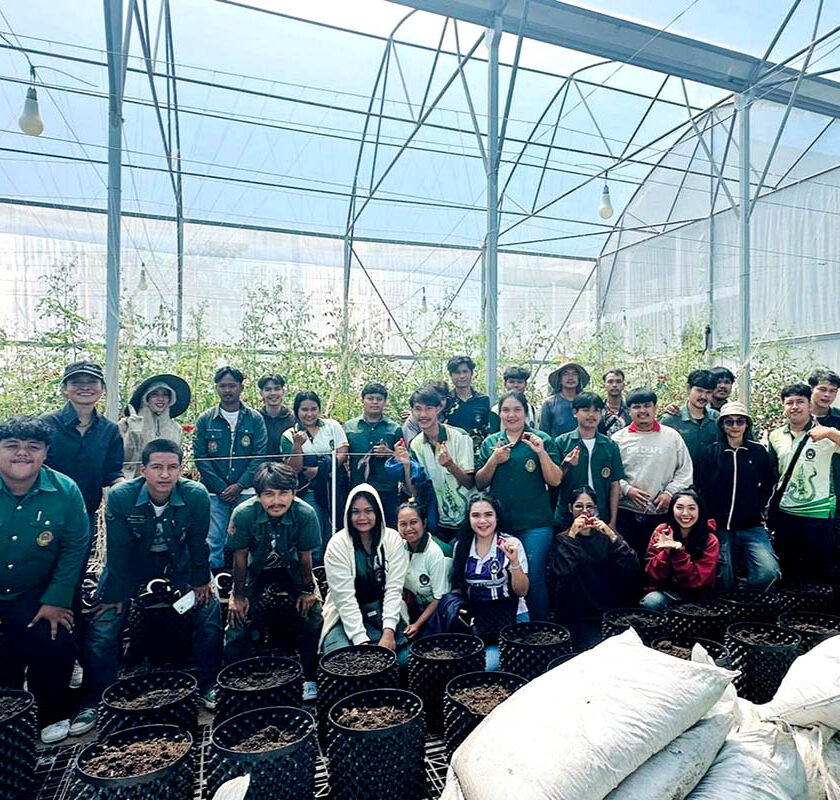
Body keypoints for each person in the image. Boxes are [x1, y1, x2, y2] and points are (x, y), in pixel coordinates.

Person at [71, 439, 222, 735]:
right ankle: (94, 698)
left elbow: (197, 543)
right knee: (104, 622)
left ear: (182, 469)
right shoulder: (121, 496)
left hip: (179, 564)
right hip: (129, 567)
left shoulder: (195, 495)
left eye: (172, 467)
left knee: (210, 610)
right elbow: (117, 552)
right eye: (156, 467)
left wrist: (201, 582)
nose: (164, 475)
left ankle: (209, 684)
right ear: (143, 470)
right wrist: (114, 594)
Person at [0, 417, 88, 744]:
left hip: (38, 592)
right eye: (12, 446)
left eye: (33, 447)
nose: (22, 453)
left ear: (45, 452)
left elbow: (75, 546)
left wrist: (57, 599)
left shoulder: (65, 491)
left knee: (56, 639)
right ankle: (10, 714)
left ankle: (51, 712)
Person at [225, 462, 321, 702]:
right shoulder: (244, 514)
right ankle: (233, 678)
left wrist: (308, 590)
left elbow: (305, 557)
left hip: (293, 568)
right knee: (236, 619)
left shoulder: (305, 514)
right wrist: (237, 596)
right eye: (269, 494)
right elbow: (240, 557)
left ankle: (310, 676)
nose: (276, 501)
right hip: (254, 570)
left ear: (293, 493)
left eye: (283, 493)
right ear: (258, 495)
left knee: (314, 614)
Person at [475, 391, 562, 621]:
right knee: (506, 576)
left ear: (526, 413)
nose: (511, 415)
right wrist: (494, 460)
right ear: (500, 414)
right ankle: (511, 628)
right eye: (506, 410)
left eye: (517, 410)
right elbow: (480, 482)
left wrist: (541, 453)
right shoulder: (491, 442)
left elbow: (555, 480)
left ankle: (541, 630)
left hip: (536, 524)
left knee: (532, 576)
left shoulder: (540, 439)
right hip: (502, 525)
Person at [320, 485, 410, 665]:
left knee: (403, 661)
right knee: (343, 660)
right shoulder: (337, 545)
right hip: (345, 616)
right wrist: (362, 642)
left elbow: (394, 589)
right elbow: (344, 599)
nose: (362, 518)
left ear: (378, 512)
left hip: (384, 612)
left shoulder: (392, 540)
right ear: (348, 515)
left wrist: (388, 632)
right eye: (356, 512)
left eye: (368, 511)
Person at [695, 401, 779, 591]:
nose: (734, 426)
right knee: (723, 578)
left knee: (768, 571)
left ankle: (752, 598)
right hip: (720, 526)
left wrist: (761, 507)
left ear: (747, 424)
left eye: (739, 421)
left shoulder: (757, 452)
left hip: (751, 526)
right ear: (722, 425)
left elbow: (769, 483)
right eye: (729, 422)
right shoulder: (710, 452)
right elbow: (701, 487)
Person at [193, 366, 268, 570]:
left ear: (241, 388)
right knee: (213, 539)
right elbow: (200, 457)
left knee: (248, 537)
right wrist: (221, 487)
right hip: (214, 493)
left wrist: (240, 485)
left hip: (247, 491)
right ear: (217, 388)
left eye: (232, 385)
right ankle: (214, 583)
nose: (227, 390)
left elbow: (260, 455)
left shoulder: (254, 419)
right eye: (223, 386)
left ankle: (247, 581)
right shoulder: (205, 419)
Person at [547, 486, 639, 650]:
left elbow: (631, 567)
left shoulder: (606, 536)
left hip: (606, 609)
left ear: (595, 509)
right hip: (577, 613)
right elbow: (562, 573)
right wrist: (572, 536)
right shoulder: (562, 539)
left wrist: (612, 535)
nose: (585, 511)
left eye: (589, 506)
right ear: (570, 509)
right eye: (579, 506)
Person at [41, 361, 124, 538]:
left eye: (92, 382)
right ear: (64, 388)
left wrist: (132, 490)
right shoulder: (46, 424)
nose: (85, 387)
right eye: (77, 382)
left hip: (85, 514)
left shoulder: (109, 430)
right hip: (44, 512)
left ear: (102, 388)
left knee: (78, 564)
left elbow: (112, 473)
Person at [613, 388, 693, 565]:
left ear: (655, 408)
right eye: (636, 406)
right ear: (629, 410)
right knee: (629, 561)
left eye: (647, 406)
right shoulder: (618, 439)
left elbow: (685, 472)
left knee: (661, 561)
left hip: (662, 514)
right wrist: (627, 490)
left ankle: (656, 593)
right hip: (627, 513)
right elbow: (610, 473)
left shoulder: (672, 436)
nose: (642, 411)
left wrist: (669, 494)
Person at [448, 493, 529, 670]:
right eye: (476, 515)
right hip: (476, 620)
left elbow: (522, 591)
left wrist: (514, 562)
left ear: (497, 517)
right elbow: (457, 587)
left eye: (488, 515)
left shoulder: (511, 543)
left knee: (486, 667)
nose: (482, 521)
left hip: (510, 616)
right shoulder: (461, 546)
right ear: (468, 518)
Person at [768, 383, 840, 581]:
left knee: (818, 569)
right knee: (788, 567)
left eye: (800, 402)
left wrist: (830, 434)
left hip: (818, 513)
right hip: (786, 513)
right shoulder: (775, 435)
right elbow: (773, 473)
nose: (795, 407)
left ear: (810, 405)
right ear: (783, 406)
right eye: (789, 402)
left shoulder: (826, 433)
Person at [398, 386, 475, 543]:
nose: (423, 414)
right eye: (417, 409)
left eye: (429, 408)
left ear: (439, 409)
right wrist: (406, 464)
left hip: (467, 518)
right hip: (438, 520)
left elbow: (469, 483)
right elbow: (415, 491)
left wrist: (450, 465)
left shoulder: (460, 437)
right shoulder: (416, 445)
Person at [282, 391, 349, 550]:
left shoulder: (332, 426)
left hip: (334, 487)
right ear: (297, 411)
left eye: (313, 409)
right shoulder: (288, 435)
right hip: (308, 491)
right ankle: (315, 567)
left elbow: (343, 452)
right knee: (314, 530)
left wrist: (321, 469)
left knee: (335, 529)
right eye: (304, 409)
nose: (309, 414)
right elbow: (293, 468)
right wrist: (297, 445)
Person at [554, 392, 624, 531]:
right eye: (586, 410)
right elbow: (553, 480)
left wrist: (613, 521)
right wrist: (566, 465)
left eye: (596, 410)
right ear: (575, 412)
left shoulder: (610, 445)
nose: (591, 415)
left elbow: (615, 484)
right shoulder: (561, 443)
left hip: (600, 517)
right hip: (567, 516)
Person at [640, 490, 720, 611]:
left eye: (692, 508)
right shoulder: (662, 531)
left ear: (700, 511)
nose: (685, 513)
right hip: (666, 592)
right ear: (672, 510)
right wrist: (666, 552)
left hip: (697, 597)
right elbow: (651, 573)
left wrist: (679, 552)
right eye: (679, 508)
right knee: (651, 602)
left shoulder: (710, 540)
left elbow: (696, 581)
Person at [344, 383, 402, 528]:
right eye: (370, 398)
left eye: (379, 399)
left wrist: (388, 453)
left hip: (386, 489)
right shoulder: (349, 427)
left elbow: (403, 459)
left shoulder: (394, 429)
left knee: (388, 528)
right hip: (358, 487)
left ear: (385, 402)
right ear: (362, 400)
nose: (375, 402)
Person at [119, 374, 190, 480]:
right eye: (154, 394)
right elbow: (126, 460)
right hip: (134, 482)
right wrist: (134, 432)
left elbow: (177, 460)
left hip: (166, 482)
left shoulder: (176, 429)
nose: (160, 399)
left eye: (165, 395)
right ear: (146, 398)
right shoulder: (125, 424)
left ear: (171, 399)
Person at [397, 502, 449, 639]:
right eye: (403, 524)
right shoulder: (399, 547)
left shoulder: (436, 552)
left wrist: (417, 625)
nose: (408, 528)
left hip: (438, 615)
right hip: (413, 609)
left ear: (424, 522)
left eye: (413, 522)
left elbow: (440, 597)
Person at [660, 369, 720, 466]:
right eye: (699, 390)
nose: (703, 396)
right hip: (681, 478)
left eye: (708, 392)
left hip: (712, 478)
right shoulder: (672, 419)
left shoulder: (716, 418)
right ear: (688, 388)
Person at [443, 355, 490, 453]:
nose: (462, 376)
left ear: (471, 373)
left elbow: (488, 429)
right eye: (457, 372)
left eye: (465, 371)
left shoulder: (483, 400)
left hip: (477, 454)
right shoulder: (445, 401)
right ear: (451, 375)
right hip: (452, 453)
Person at [539, 361, 590, 438]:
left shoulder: (587, 402)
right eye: (566, 374)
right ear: (559, 378)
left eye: (574, 374)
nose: (570, 377)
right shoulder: (549, 404)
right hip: (558, 448)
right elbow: (544, 434)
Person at [489, 366, 538, 432]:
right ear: (505, 384)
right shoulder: (495, 410)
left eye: (520, 382)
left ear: (525, 384)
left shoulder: (532, 410)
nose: (516, 385)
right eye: (511, 382)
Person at [258, 374, 296, 457]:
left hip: (288, 467)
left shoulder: (294, 418)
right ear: (261, 393)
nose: (273, 393)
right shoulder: (256, 419)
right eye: (268, 390)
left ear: (283, 391)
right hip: (260, 468)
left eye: (277, 389)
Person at [402, 381, 449, 446]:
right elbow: (412, 448)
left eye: (442, 399)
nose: (439, 403)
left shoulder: (448, 416)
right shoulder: (413, 421)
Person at [599, 368, 632, 437]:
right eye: (610, 381)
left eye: (618, 381)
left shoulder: (631, 410)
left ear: (623, 385)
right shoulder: (598, 409)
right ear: (604, 385)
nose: (614, 385)